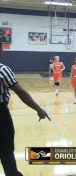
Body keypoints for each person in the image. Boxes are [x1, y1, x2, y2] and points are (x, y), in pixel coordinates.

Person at [0, 42, 50, 176]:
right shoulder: (3, 70)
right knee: (6, 150)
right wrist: (39, 109)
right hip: (1, 116)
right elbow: (21, 93)